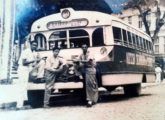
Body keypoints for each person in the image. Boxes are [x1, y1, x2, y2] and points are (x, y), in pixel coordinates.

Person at [17, 41, 44, 109]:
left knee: (42, 62)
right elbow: (23, 63)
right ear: (30, 45)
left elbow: (36, 62)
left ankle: (39, 77)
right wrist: (33, 60)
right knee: (22, 87)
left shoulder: (34, 52)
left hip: (29, 69)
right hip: (23, 69)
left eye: (35, 45)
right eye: (33, 45)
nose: (34, 46)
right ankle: (19, 105)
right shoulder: (25, 51)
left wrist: (38, 59)